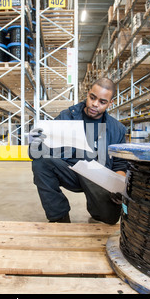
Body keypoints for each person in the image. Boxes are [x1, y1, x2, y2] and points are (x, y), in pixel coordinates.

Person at [29, 78, 127, 224]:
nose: (95, 104)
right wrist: (37, 139)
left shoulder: (117, 129)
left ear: (110, 103)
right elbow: (36, 150)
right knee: (41, 163)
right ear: (88, 94)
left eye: (102, 102)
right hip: (71, 172)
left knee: (108, 218)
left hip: (98, 178)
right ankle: (59, 217)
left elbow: (120, 165)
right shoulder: (67, 117)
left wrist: (118, 187)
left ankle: (98, 210)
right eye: (92, 98)